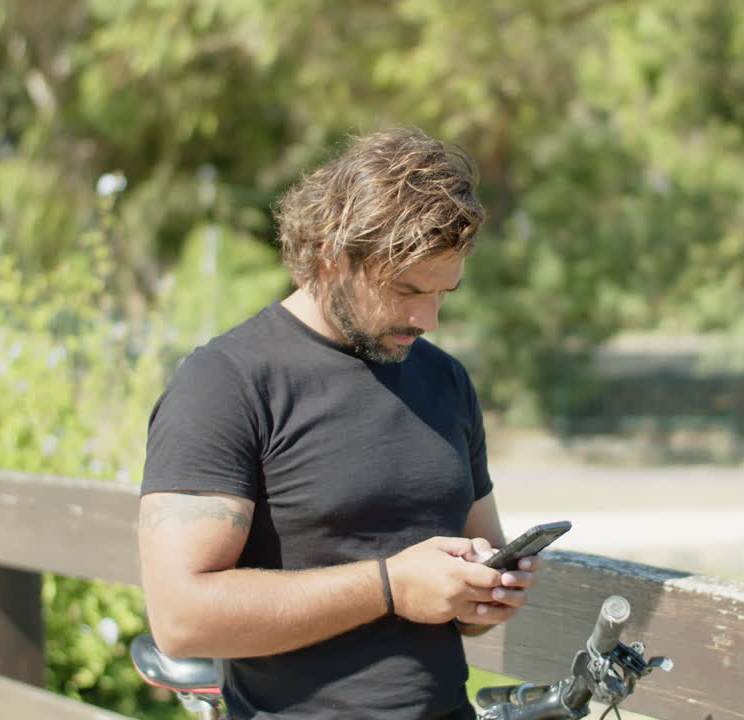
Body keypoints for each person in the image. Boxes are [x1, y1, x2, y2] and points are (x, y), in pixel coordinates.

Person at [138, 128, 540, 720]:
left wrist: (483, 595)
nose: (427, 318)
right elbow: (180, 617)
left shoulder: (445, 381)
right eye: (406, 290)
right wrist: (390, 587)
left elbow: (472, 564)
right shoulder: (224, 382)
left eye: (443, 293)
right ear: (332, 255)